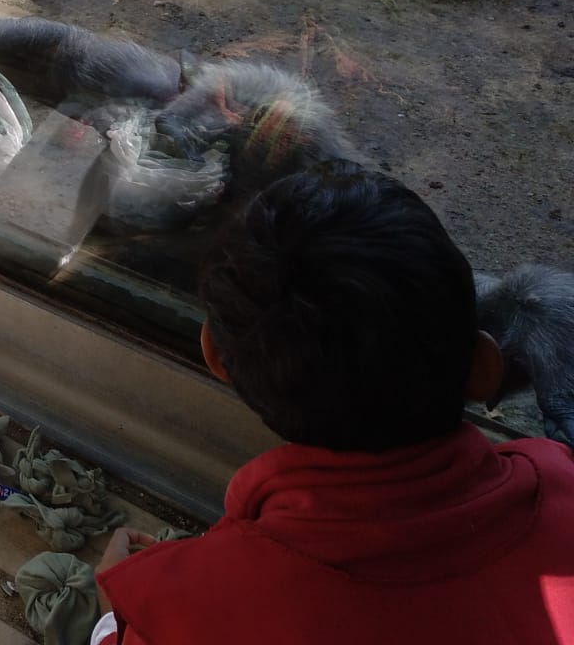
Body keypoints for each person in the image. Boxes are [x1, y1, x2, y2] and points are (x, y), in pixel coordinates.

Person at [91, 159, 574, 645]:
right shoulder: (560, 482)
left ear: (215, 356)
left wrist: (116, 621)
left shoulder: (191, 605)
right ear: (483, 368)